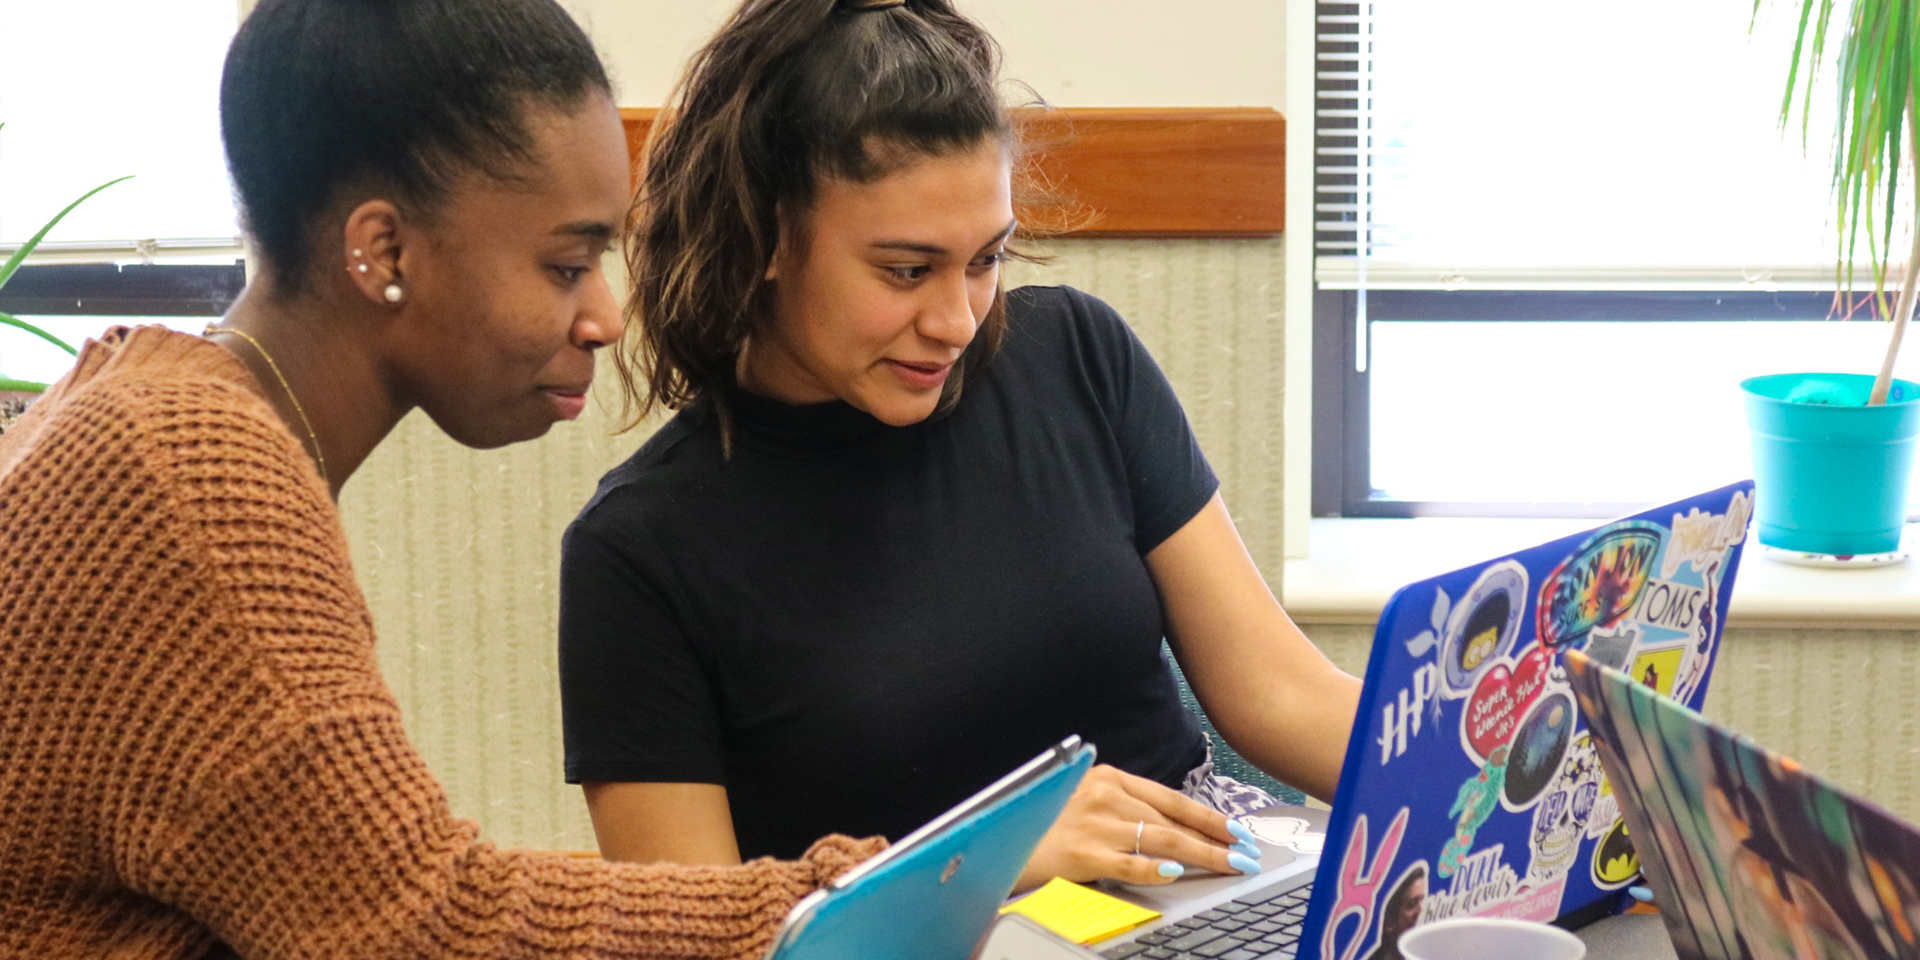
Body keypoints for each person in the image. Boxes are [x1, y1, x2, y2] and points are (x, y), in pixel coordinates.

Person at [0, 0, 884, 956]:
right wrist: (832, 906)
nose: (605, 317)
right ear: (382, 252)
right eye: (565, 264)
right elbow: (418, 926)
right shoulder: (186, 479)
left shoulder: (156, 411)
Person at [556, 0, 1363, 892]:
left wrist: (1502, 755)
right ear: (766, 240)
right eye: (906, 271)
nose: (955, 322)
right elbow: (697, 936)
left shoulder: (1079, 357)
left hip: (1198, 903)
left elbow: (1280, 693)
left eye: (986, 260)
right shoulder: (638, 554)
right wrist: (992, 862)